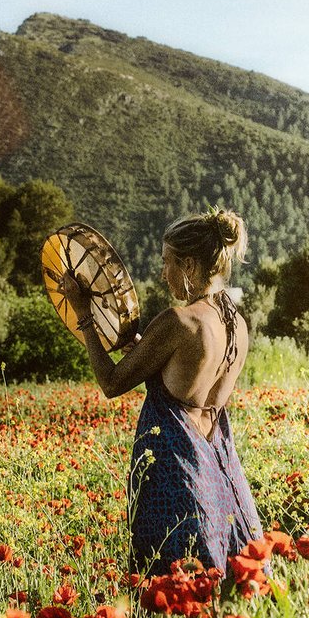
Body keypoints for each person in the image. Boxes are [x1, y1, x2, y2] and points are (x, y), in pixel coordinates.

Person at [58, 210, 262, 574]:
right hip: (220, 472)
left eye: (167, 262)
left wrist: (84, 316)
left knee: (170, 593)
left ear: (188, 264)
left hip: (174, 474)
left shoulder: (178, 321)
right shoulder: (237, 325)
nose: (162, 272)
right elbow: (190, 377)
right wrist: (146, 350)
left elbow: (111, 383)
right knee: (222, 587)